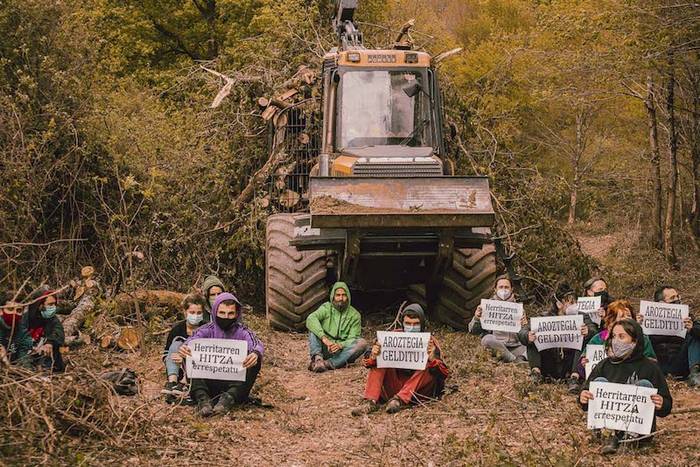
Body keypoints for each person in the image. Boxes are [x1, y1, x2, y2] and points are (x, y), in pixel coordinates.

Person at [579, 319, 672, 454]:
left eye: (621, 336)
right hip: (608, 427)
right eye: (613, 336)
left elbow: (667, 405)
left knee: (644, 385)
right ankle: (610, 435)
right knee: (599, 381)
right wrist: (583, 397)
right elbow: (585, 393)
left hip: (640, 429)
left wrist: (661, 403)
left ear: (635, 341)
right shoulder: (604, 364)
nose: (616, 341)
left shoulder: (650, 367)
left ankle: (633, 437)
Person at [351, 304, 449, 416]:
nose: (411, 327)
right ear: (402, 324)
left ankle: (400, 400)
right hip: (393, 387)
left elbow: (444, 373)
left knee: (428, 365)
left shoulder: (430, 342)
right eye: (408, 323)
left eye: (416, 324)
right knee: (381, 357)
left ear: (422, 324)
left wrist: (432, 358)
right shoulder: (392, 337)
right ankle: (370, 401)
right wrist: (373, 355)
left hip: (416, 393)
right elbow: (367, 362)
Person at [179, 292, 263, 417]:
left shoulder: (243, 331)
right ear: (215, 312)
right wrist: (184, 347)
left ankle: (228, 399)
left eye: (230, 314)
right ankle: (202, 399)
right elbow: (191, 341)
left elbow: (257, 344)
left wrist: (255, 353)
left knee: (256, 360)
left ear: (236, 314)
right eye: (222, 313)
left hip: (234, 384)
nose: (226, 317)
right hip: (207, 381)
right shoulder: (206, 329)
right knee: (189, 354)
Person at [520, 283, 593, 388]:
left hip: (569, 362)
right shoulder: (544, 318)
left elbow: (593, 330)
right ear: (559, 304)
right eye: (570, 302)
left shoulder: (582, 316)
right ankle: (536, 373)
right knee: (533, 337)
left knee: (583, 339)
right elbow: (523, 331)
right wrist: (527, 336)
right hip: (550, 362)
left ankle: (574, 378)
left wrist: (588, 331)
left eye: (575, 302)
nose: (574, 305)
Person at [642, 286, 700, 387]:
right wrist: (638, 326)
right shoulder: (647, 319)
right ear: (661, 303)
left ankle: (695, 374)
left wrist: (692, 329)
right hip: (657, 363)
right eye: (673, 298)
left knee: (694, 334)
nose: (677, 300)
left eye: (678, 297)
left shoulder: (687, 317)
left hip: (681, 362)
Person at [306, 282, 367, 372]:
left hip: (342, 353)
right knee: (314, 328)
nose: (341, 298)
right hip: (325, 348)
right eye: (338, 295)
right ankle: (318, 359)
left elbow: (353, 338)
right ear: (333, 296)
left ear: (348, 297)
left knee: (362, 343)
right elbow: (311, 318)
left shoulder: (355, 315)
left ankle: (327, 364)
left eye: (344, 295)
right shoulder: (326, 308)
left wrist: (340, 345)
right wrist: (324, 339)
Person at [468, 276, 528, 364]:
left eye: (506, 287)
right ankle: (514, 360)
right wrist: (477, 318)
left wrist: (525, 325)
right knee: (487, 340)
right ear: (495, 289)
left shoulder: (518, 308)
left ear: (511, 289)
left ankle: (514, 358)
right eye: (501, 287)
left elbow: (525, 335)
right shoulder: (487, 306)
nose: (504, 290)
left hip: (516, 346)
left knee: (533, 345)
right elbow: (472, 331)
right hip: (497, 345)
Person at [161, 294, 207, 403]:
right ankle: (172, 383)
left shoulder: (206, 329)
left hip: (198, 369)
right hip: (178, 369)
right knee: (177, 343)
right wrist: (176, 358)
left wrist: (187, 360)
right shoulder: (177, 329)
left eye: (199, 313)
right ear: (185, 312)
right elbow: (166, 354)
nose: (195, 316)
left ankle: (184, 384)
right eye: (192, 312)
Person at [23, 290, 65, 372]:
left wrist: (49, 342)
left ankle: (47, 369)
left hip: (46, 355)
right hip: (26, 354)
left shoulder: (52, 319)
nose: (53, 307)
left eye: (54, 304)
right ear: (40, 305)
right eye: (50, 304)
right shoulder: (25, 319)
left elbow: (59, 332)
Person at [0, 292, 33, 367]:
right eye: (10, 309)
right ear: (1, 311)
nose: (14, 313)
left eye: (18, 310)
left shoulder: (23, 333)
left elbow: (24, 358)